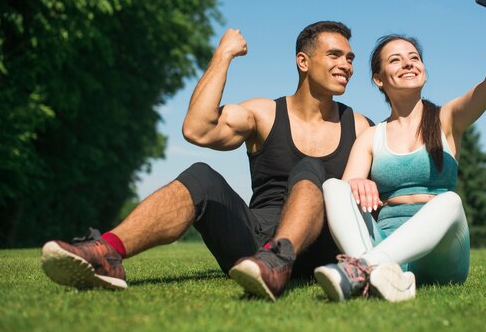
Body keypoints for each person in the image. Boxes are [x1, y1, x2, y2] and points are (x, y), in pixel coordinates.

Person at [40, 21, 372, 301]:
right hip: (254, 246)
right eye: (335, 55)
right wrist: (223, 55)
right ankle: (106, 252)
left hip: (317, 246)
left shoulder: (357, 125)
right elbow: (196, 129)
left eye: (350, 58)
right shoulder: (264, 114)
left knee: (310, 167)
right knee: (201, 175)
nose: (347, 65)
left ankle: (279, 258)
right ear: (303, 61)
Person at [313, 0, 486, 302]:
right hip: (384, 240)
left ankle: (359, 271)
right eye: (396, 61)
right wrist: (357, 183)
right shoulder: (371, 136)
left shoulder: (448, 119)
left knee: (450, 202)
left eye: (415, 58)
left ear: (423, 70)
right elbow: (346, 192)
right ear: (378, 79)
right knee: (332, 187)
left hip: (441, 252)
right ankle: (383, 276)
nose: (409, 64)